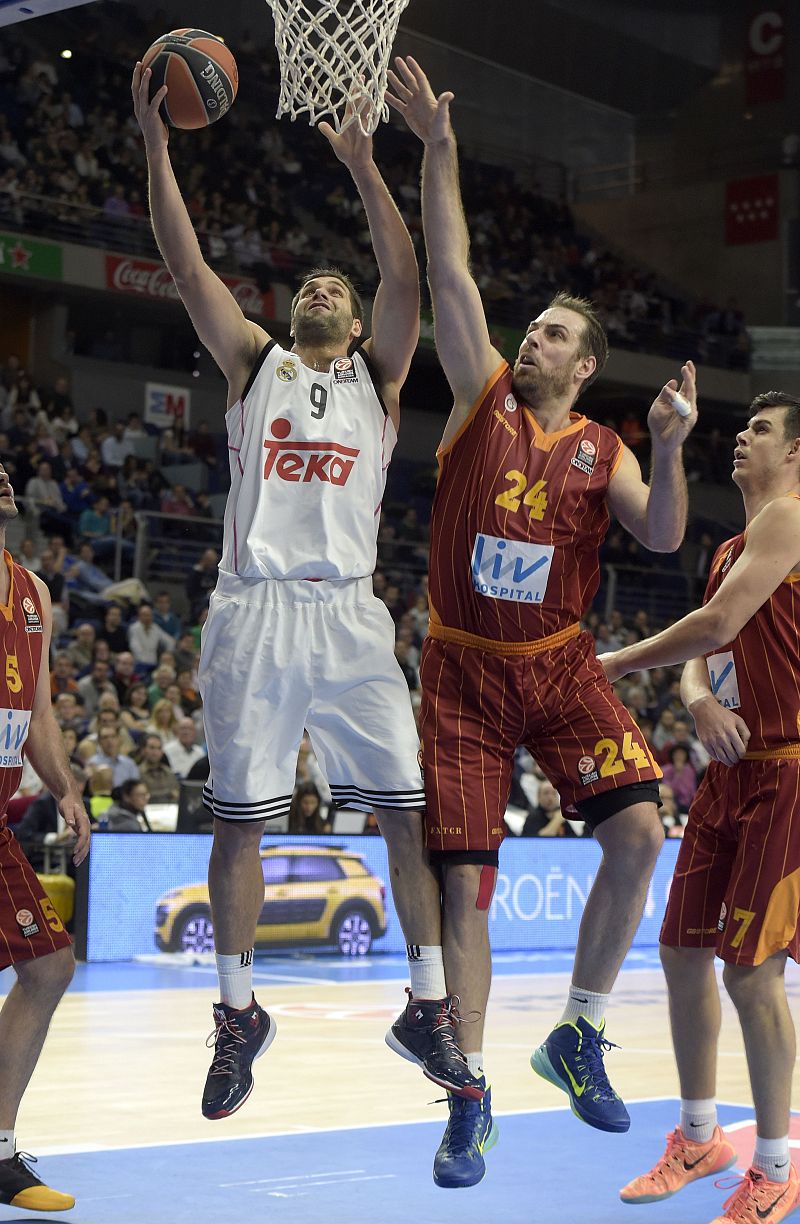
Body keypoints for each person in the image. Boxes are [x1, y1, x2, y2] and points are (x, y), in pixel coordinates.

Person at [132, 62, 480, 1123]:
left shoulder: (379, 375)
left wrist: (368, 165)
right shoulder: (253, 360)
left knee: (406, 813)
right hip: (252, 609)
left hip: (349, 614)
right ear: (290, 308)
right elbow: (184, 261)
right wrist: (154, 143)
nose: (326, 290)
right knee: (238, 825)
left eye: (339, 285)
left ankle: (425, 1003)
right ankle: (239, 1013)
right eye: (312, 285)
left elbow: (408, 280)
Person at [386, 56, 697, 1185]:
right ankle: (466, 1095)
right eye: (533, 330)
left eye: (556, 335)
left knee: (637, 832)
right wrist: (437, 149)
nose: (534, 340)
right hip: (461, 671)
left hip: (559, 667)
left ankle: (574, 1029)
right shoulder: (479, 400)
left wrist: (666, 448)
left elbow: (662, 538)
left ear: (587, 364)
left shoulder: (605, 446)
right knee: (466, 882)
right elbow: (453, 274)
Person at [601, 392, 800, 1224]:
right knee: (683, 951)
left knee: (751, 971)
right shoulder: (728, 548)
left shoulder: (789, 518)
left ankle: (776, 1167)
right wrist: (697, 703)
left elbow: (713, 622)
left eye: (760, 430)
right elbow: (709, 645)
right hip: (729, 771)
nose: (741, 439)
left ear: (795, 453)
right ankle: (697, 1137)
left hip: (788, 774)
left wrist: (610, 662)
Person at [0, 459, 91, 1210]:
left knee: (49, 964)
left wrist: (63, 786)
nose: (1, 474)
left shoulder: (33, 594)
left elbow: (36, 712)